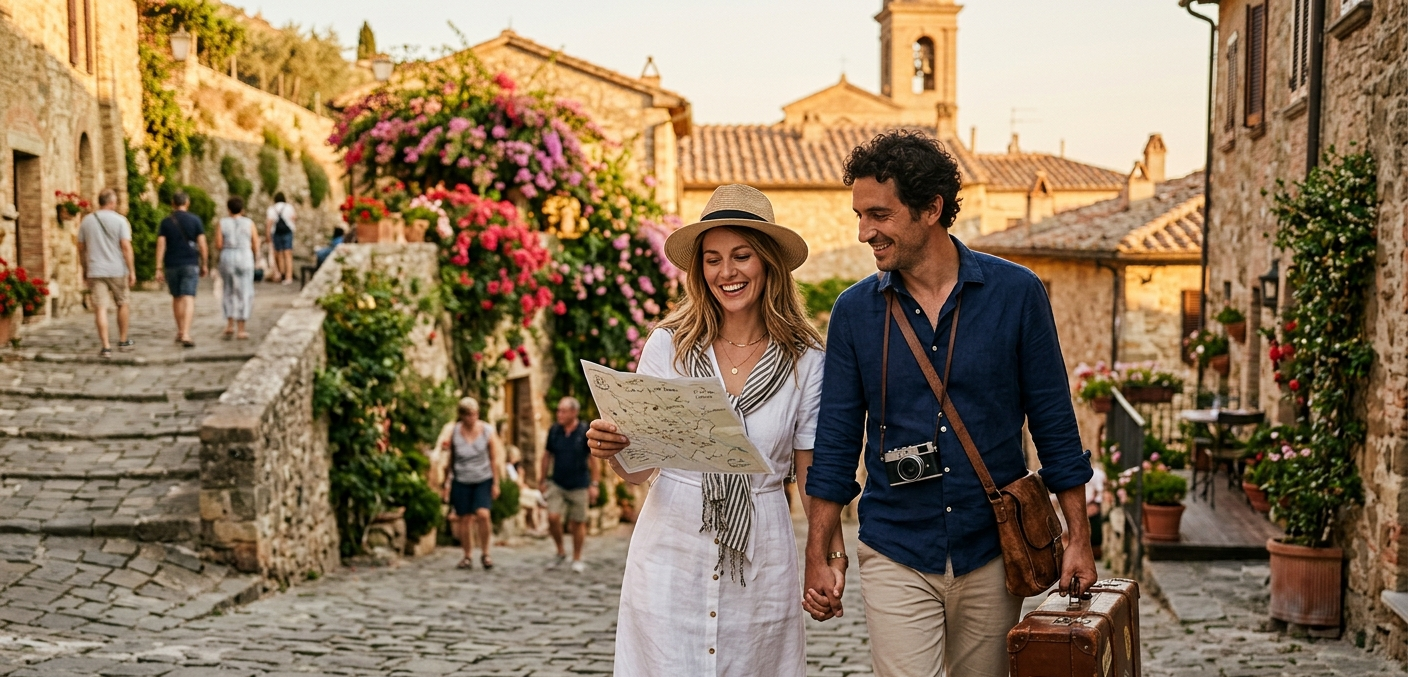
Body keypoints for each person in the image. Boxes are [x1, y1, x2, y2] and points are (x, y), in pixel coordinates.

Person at [801, 131, 1096, 677]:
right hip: (894, 547)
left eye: (879, 215)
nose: (865, 232)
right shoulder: (853, 313)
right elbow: (836, 441)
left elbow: (1054, 421)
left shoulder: (1018, 293)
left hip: (993, 548)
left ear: (931, 209)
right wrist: (820, 551)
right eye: (859, 215)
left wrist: (1079, 537)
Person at [585, 184, 840, 677]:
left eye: (741, 256)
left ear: (768, 263)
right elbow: (641, 470)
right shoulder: (668, 348)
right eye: (712, 259)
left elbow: (811, 474)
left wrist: (825, 556)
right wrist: (614, 448)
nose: (727, 272)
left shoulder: (807, 360)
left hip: (764, 549)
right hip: (670, 548)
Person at [440, 397, 503, 570]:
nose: (472, 417)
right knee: (464, 518)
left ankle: (486, 553)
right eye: (468, 414)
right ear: (461, 415)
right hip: (462, 478)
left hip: (483, 477)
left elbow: (493, 458)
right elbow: (450, 458)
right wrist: (446, 482)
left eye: (474, 414)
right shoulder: (454, 432)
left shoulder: (486, 431)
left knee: (483, 514)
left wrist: (495, 483)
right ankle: (467, 555)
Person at [540, 397, 600, 573]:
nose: (559, 414)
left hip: (579, 483)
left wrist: (594, 484)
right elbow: (546, 455)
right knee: (552, 517)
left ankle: (577, 557)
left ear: (574, 412)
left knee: (578, 521)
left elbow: (593, 459)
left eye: (563, 411)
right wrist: (542, 479)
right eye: (558, 411)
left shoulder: (584, 431)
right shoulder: (555, 431)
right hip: (557, 482)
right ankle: (560, 551)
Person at [76, 188, 135, 358]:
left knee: (100, 308)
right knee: (122, 303)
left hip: (95, 270)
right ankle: (123, 340)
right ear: (111, 202)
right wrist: (132, 270)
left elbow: (81, 248)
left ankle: (106, 346)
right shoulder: (120, 221)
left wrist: (84, 269)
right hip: (117, 269)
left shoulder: (87, 221)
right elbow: (126, 247)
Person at [154, 190, 209, 347]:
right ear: (187, 203)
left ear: (173, 204)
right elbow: (203, 244)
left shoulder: (166, 222)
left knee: (177, 297)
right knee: (188, 297)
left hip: (172, 264)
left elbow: (161, 244)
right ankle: (186, 333)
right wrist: (204, 263)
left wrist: (158, 267)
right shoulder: (195, 220)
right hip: (190, 263)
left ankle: (180, 330)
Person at [215, 196, 260, 340]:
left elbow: (219, 244)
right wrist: (254, 255)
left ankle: (229, 324)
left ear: (228, 209)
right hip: (245, 256)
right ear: (243, 209)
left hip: (228, 256)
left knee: (228, 290)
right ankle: (241, 329)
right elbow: (255, 243)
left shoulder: (222, 223)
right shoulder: (249, 223)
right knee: (245, 291)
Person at [265, 191, 296, 284]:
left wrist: (267, 235)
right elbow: (294, 217)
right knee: (288, 254)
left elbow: (269, 222)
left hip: (276, 232)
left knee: (279, 254)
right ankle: (289, 276)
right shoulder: (289, 207)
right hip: (288, 231)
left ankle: (281, 274)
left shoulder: (272, 209)